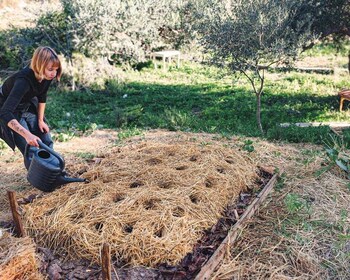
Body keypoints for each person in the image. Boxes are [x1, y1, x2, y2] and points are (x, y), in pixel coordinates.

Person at [0, 46, 62, 167]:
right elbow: (5, 113)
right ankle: (40, 178)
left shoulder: (47, 76)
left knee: (45, 138)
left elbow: (42, 95)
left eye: (56, 69)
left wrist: (40, 120)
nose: (54, 73)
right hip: (8, 110)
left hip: (26, 105)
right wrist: (27, 135)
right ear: (39, 65)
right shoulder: (23, 81)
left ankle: (54, 169)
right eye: (50, 69)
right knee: (30, 147)